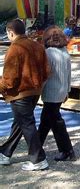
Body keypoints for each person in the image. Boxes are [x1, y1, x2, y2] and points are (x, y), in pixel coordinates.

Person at [0, 19, 50, 171]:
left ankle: (38, 159)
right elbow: (47, 71)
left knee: (27, 124)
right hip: (34, 92)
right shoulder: (37, 46)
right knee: (20, 123)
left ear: (11, 32)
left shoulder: (15, 48)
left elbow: (10, 78)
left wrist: (1, 88)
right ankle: (5, 153)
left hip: (20, 93)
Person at [39, 26, 76, 162]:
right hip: (61, 91)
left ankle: (67, 150)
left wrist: (38, 90)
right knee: (46, 120)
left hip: (51, 92)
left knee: (55, 121)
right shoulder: (65, 52)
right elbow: (68, 74)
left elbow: (45, 75)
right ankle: (36, 146)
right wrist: (68, 90)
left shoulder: (48, 53)